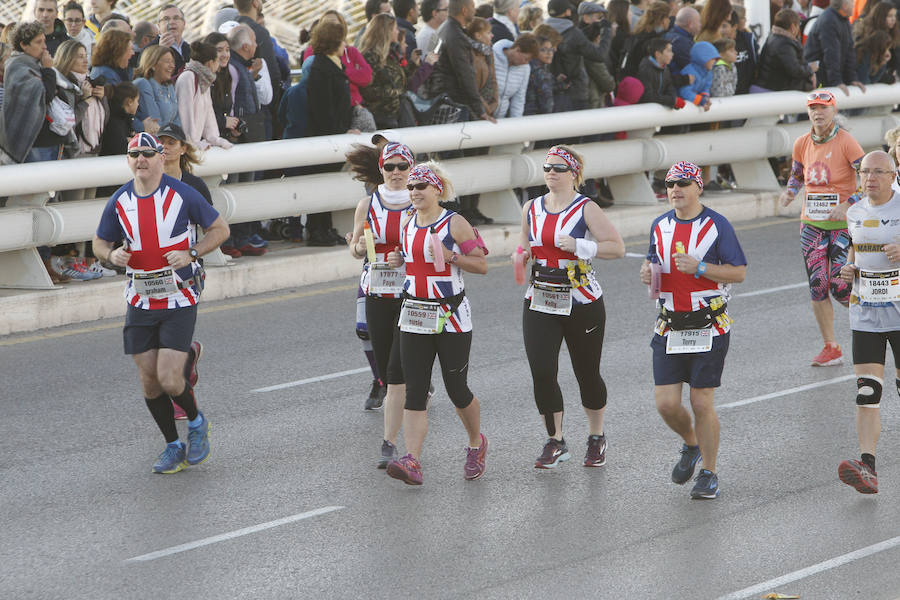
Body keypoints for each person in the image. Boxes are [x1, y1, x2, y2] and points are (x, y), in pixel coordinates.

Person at [92, 132, 229, 473]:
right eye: (134, 154)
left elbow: (220, 229)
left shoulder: (182, 193)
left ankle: (197, 424)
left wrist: (191, 253)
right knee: (149, 380)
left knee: (169, 378)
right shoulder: (120, 200)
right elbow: (99, 241)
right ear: (128, 160)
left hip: (178, 294)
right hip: (139, 297)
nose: (140, 159)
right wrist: (111, 254)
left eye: (147, 153)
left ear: (160, 158)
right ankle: (172, 446)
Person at [638, 161, 747, 499]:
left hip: (708, 325)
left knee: (701, 402)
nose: (675, 189)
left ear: (698, 187)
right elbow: (654, 266)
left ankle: (709, 473)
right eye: (670, 184)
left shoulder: (717, 225)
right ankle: (691, 443)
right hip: (670, 324)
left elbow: (739, 272)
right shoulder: (659, 226)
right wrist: (647, 273)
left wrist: (701, 268)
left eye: (683, 183)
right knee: (667, 404)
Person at [517, 146, 625, 469]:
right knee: (542, 371)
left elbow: (616, 248)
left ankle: (596, 436)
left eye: (559, 168)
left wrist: (580, 245)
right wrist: (520, 256)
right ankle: (556, 440)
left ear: (574, 173)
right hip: (541, 298)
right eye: (547, 166)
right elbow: (525, 245)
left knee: (587, 373)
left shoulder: (586, 208)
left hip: (582, 301)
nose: (551, 172)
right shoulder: (531, 208)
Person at [384, 162, 490, 485]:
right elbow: (410, 254)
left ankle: (476, 443)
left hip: (451, 318)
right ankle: (412, 460)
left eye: (421, 187)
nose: (414, 192)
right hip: (415, 314)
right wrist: (399, 259)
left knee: (457, 389)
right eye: (411, 187)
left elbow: (482, 265)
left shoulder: (455, 224)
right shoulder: (407, 222)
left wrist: (452, 255)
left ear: (437, 190)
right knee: (415, 390)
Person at [780, 91, 865, 366]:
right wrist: (790, 193)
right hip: (812, 224)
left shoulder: (846, 142)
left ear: (833, 110)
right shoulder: (802, 143)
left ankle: (877, 321)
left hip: (842, 225)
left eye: (823, 108)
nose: (818, 113)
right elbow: (796, 173)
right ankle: (831, 346)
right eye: (814, 108)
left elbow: (867, 177)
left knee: (841, 287)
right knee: (818, 285)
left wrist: (848, 203)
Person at [346, 142, 416, 467]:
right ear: (381, 171)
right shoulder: (367, 204)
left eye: (403, 167)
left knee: (400, 365)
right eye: (390, 167)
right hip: (374, 285)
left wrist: (406, 256)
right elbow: (357, 249)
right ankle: (384, 384)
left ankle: (397, 442)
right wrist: (359, 248)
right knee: (366, 335)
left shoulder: (419, 203)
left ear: (412, 169)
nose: (397, 173)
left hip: (411, 290)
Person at [837, 150, 900, 494]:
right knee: (867, 391)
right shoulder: (856, 211)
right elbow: (855, 250)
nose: (870, 178)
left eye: (878, 172)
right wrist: (849, 268)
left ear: (893, 175)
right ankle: (868, 466)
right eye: (865, 172)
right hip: (865, 312)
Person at [175, 40, 233, 151]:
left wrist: (215, 139)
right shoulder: (188, 77)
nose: (218, 65)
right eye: (217, 61)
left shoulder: (204, 79)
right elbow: (185, 113)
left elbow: (209, 114)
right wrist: (192, 143)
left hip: (196, 145)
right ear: (210, 63)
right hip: (187, 147)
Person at [803, 0, 866, 95]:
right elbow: (831, 53)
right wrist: (836, 82)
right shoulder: (829, 21)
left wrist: (852, 79)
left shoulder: (844, 20)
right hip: (820, 78)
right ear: (844, 6)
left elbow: (849, 51)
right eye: (852, 2)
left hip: (829, 76)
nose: (854, 5)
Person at [755, 8, 817, 91]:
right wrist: (810, 69)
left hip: (770, 88)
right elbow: (795, 70)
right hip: (773, 91)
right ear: (792, 26)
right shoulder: (784, 44)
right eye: (798, 25)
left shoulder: (775, 37)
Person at [134, 45, 180, 131]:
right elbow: (154, 122)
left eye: (173, 62)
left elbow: (176, 120)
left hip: (168, 139)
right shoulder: (142, 84)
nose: (172, 66)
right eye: (167, 61)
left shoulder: (169, 86)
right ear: (153, 65)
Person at [492, 33, 538, 118]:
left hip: (501, 118)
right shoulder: (491, 56)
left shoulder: (525, 68)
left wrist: (517, 123)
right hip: (480, 116)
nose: (526, 62)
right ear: (517, 50)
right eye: (526, 58)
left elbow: (519, 98)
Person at [637, 37, 687, 108]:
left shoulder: (665, 69)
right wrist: (672, 101)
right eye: (669, 51)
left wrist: (674, 100)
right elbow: (648, 96)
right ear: (658, 54)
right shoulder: (645, 69)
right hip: (645, 111)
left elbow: (669, 87)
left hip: (657, 110)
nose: (672, 54)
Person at [466, 17, 500, 118]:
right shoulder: (468, 54)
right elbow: (471, 86)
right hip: (475, 110)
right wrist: (485, 107)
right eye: (488, 32)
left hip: (489, 108)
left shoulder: (488, 52)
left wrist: (495, 102)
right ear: (478, 35)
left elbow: (493, 79)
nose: (492, 35)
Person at [524, 25, 561, 115]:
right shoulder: (540, 73)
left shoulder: (528, 66)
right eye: (543, 50)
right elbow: (547, 105)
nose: (550, 53)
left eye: (551, 49)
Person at [677, 41, 718, 111]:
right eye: (712, 59)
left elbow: (706, 87)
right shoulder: (689, 71)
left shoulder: (708, 72)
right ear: (703, 58)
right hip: (683, 109)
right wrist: (700, 100)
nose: (714, 61)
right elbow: (685, 92)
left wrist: (705, 96)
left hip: (696, 107)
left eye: (715, 59)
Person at [151, 5, 190, 76]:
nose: (171, 22)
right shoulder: (149, 49)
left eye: (176, 18)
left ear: (184, 24)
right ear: (159, 26)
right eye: (166, 19)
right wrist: (160, 51)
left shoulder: (189, 49)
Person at [665, 6, 700, 76]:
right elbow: (697, 66)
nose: (700, 25)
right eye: (699, 22)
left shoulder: (672, 34)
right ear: (690, 24)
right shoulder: (680, 42)